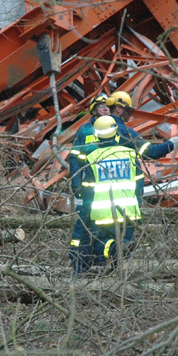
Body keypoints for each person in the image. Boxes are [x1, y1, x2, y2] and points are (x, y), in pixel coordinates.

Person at [70, 116, 178, 275]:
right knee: (123, 248)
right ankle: (116, 275)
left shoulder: (93, 158)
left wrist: (83, 205)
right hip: (129, 211)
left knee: (100, 245)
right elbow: (139, 180)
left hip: (103, 214)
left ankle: (113, 251)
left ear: (97, 135)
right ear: (116, 132)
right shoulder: (129, 154)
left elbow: (89, 187)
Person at [67, 94, 111, 272]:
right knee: (83, 227)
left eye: (107, 106)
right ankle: (78, 264)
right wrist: (76, 183)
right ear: (94, 110)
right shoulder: (85, 131)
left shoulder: (116, 128)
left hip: (108, 189)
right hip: (89, 189)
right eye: (101, 106)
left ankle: (100, 264)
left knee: (104, 226)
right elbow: (75, 158)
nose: (105, 108)